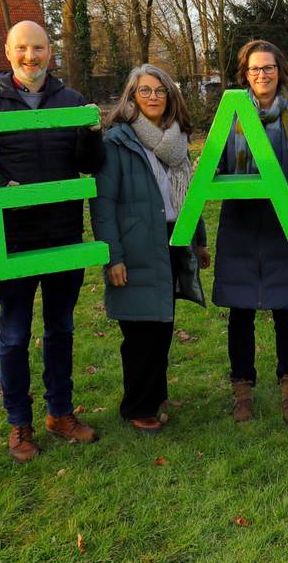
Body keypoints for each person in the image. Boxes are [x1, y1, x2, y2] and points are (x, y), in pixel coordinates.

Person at [0, 20, 103, 462]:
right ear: (8, 52)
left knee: (61, 328)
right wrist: (3, 186)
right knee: (15, 335)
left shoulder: (72, 101)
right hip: (13, 238)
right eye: (22, 49)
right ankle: (19, 423)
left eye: (38, 48)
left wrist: (93, 136)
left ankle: (60, 413)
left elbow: (89, 164)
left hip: (63, 234)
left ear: (49, 53)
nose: (30, 57)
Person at [90, 65, 210, 433]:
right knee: (139, 334)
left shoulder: (176, 140)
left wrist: (199, 240)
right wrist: (113, 257)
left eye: (160, 90)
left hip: (174, 242)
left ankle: (154, 395)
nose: (154, 97)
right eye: (145, 91)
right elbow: (103, 204)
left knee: (161, 326)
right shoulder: (117, 142)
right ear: (131, 96)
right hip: (137, 245)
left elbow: (189, 195)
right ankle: (136, 406)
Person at [213, 41, 288, 424]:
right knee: (240, 314)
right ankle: (242, 390)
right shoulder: (229, 115)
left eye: (269, 68)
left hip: (281, 225)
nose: (262, 75)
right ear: (245, 74)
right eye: (255, 69)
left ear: (279, 71)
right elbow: (214, 162)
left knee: (286, 311)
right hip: (239, 226)